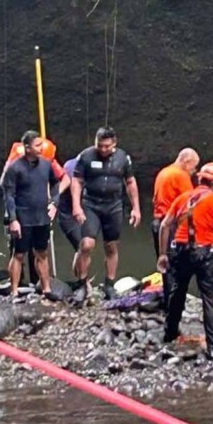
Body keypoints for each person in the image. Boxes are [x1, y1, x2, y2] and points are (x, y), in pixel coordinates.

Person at [157, 162, 213, 360]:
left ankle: (170, 333)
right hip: (205, 254)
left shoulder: (183, 198)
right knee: (209, 301)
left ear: (199, 179)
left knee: (177, 292)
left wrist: (163, 254)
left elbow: (165, 225)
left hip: (180, 251)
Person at [71, 127, 141, 302]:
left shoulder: (123, 158)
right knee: (87, 245)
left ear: (114, 144)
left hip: (113, 205)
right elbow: (77, 181)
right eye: (100, 145)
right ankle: (82, 284)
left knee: (111, 246)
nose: (103, 149)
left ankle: (109, 284)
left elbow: (130, 182)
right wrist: (76, 206)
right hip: (91, 204)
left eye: (107, 146)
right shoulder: (86, 156)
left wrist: (136, 208)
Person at [1, 131, 62, 300]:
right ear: (27, 148)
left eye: (41, 144)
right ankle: (14, 290)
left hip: (41, 216)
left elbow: (56, 183)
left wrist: (54, 202)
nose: (41, 148)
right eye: (37, 145)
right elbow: (9, 195)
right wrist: (13, 219)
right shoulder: (15, 168)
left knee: (42, 253)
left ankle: (46, 288)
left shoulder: (46, 165)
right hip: (23, 217)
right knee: (19, 254)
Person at [152, 148, 199, 257]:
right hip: (171, 227)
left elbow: (154, 200)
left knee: (163, 260)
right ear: (186, 162)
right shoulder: (181, 176)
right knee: (176, 262)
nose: (194, 171)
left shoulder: (163, 172)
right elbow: (190, 204)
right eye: (193, 167)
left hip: (158, 225)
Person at [57, 158, 82, 278]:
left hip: (85, 211)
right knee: (81, 245)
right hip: (67, 214)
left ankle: (82, 279)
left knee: (86, 247)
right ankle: (82, 280)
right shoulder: (71, 166)